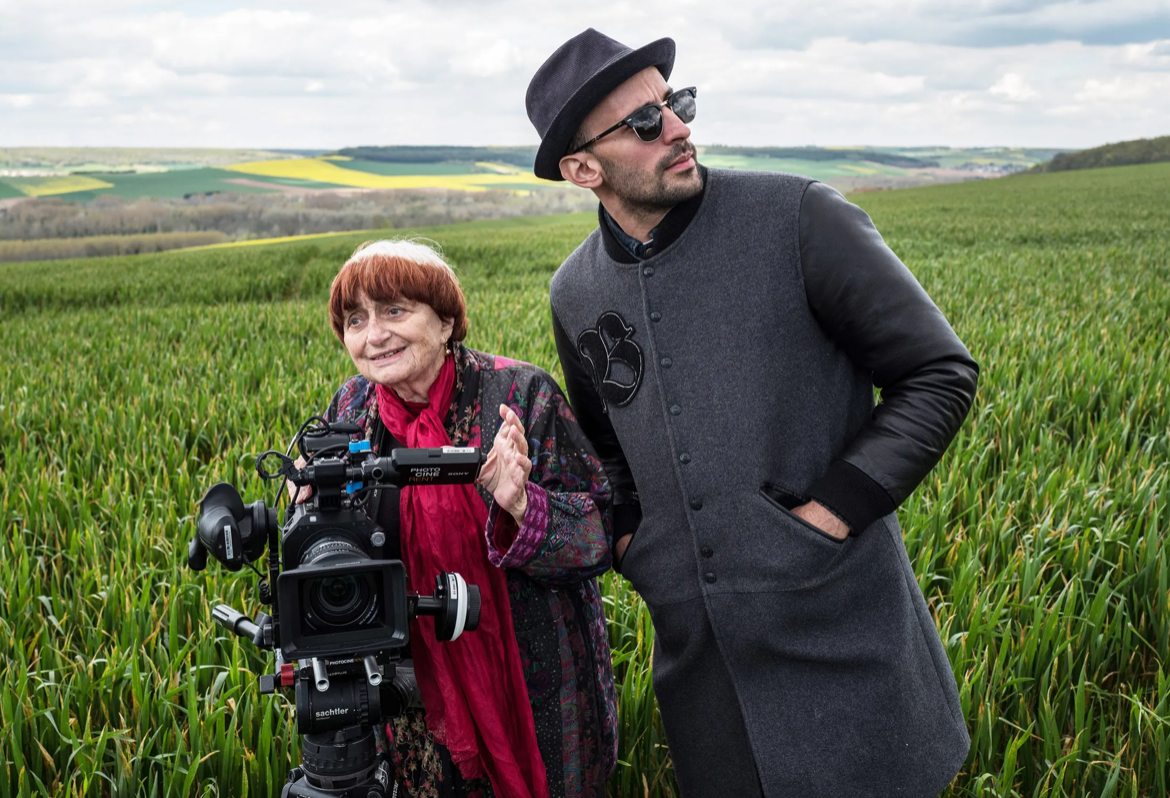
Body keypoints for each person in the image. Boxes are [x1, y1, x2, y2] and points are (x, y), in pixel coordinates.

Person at [525, 29, 979, 798]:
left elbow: (939, 372)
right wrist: (638, 545)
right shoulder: (575, 292)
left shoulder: (798, 216)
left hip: (847, 639)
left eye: (677, 103)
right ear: (582, 169)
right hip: (706, 677)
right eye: (644, 122)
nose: (677, 128)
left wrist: (828, 517)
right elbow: (606, 449)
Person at [303, 238, 618, 798]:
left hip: (534, 694)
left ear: (446, 321)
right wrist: (308, 508)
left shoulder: (520, 396)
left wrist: (521, 506)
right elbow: (329, 556)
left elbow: (598, 535)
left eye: (394, 311)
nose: (374, 335)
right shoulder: (350, 411)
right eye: (356, 320)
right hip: (407, 704)